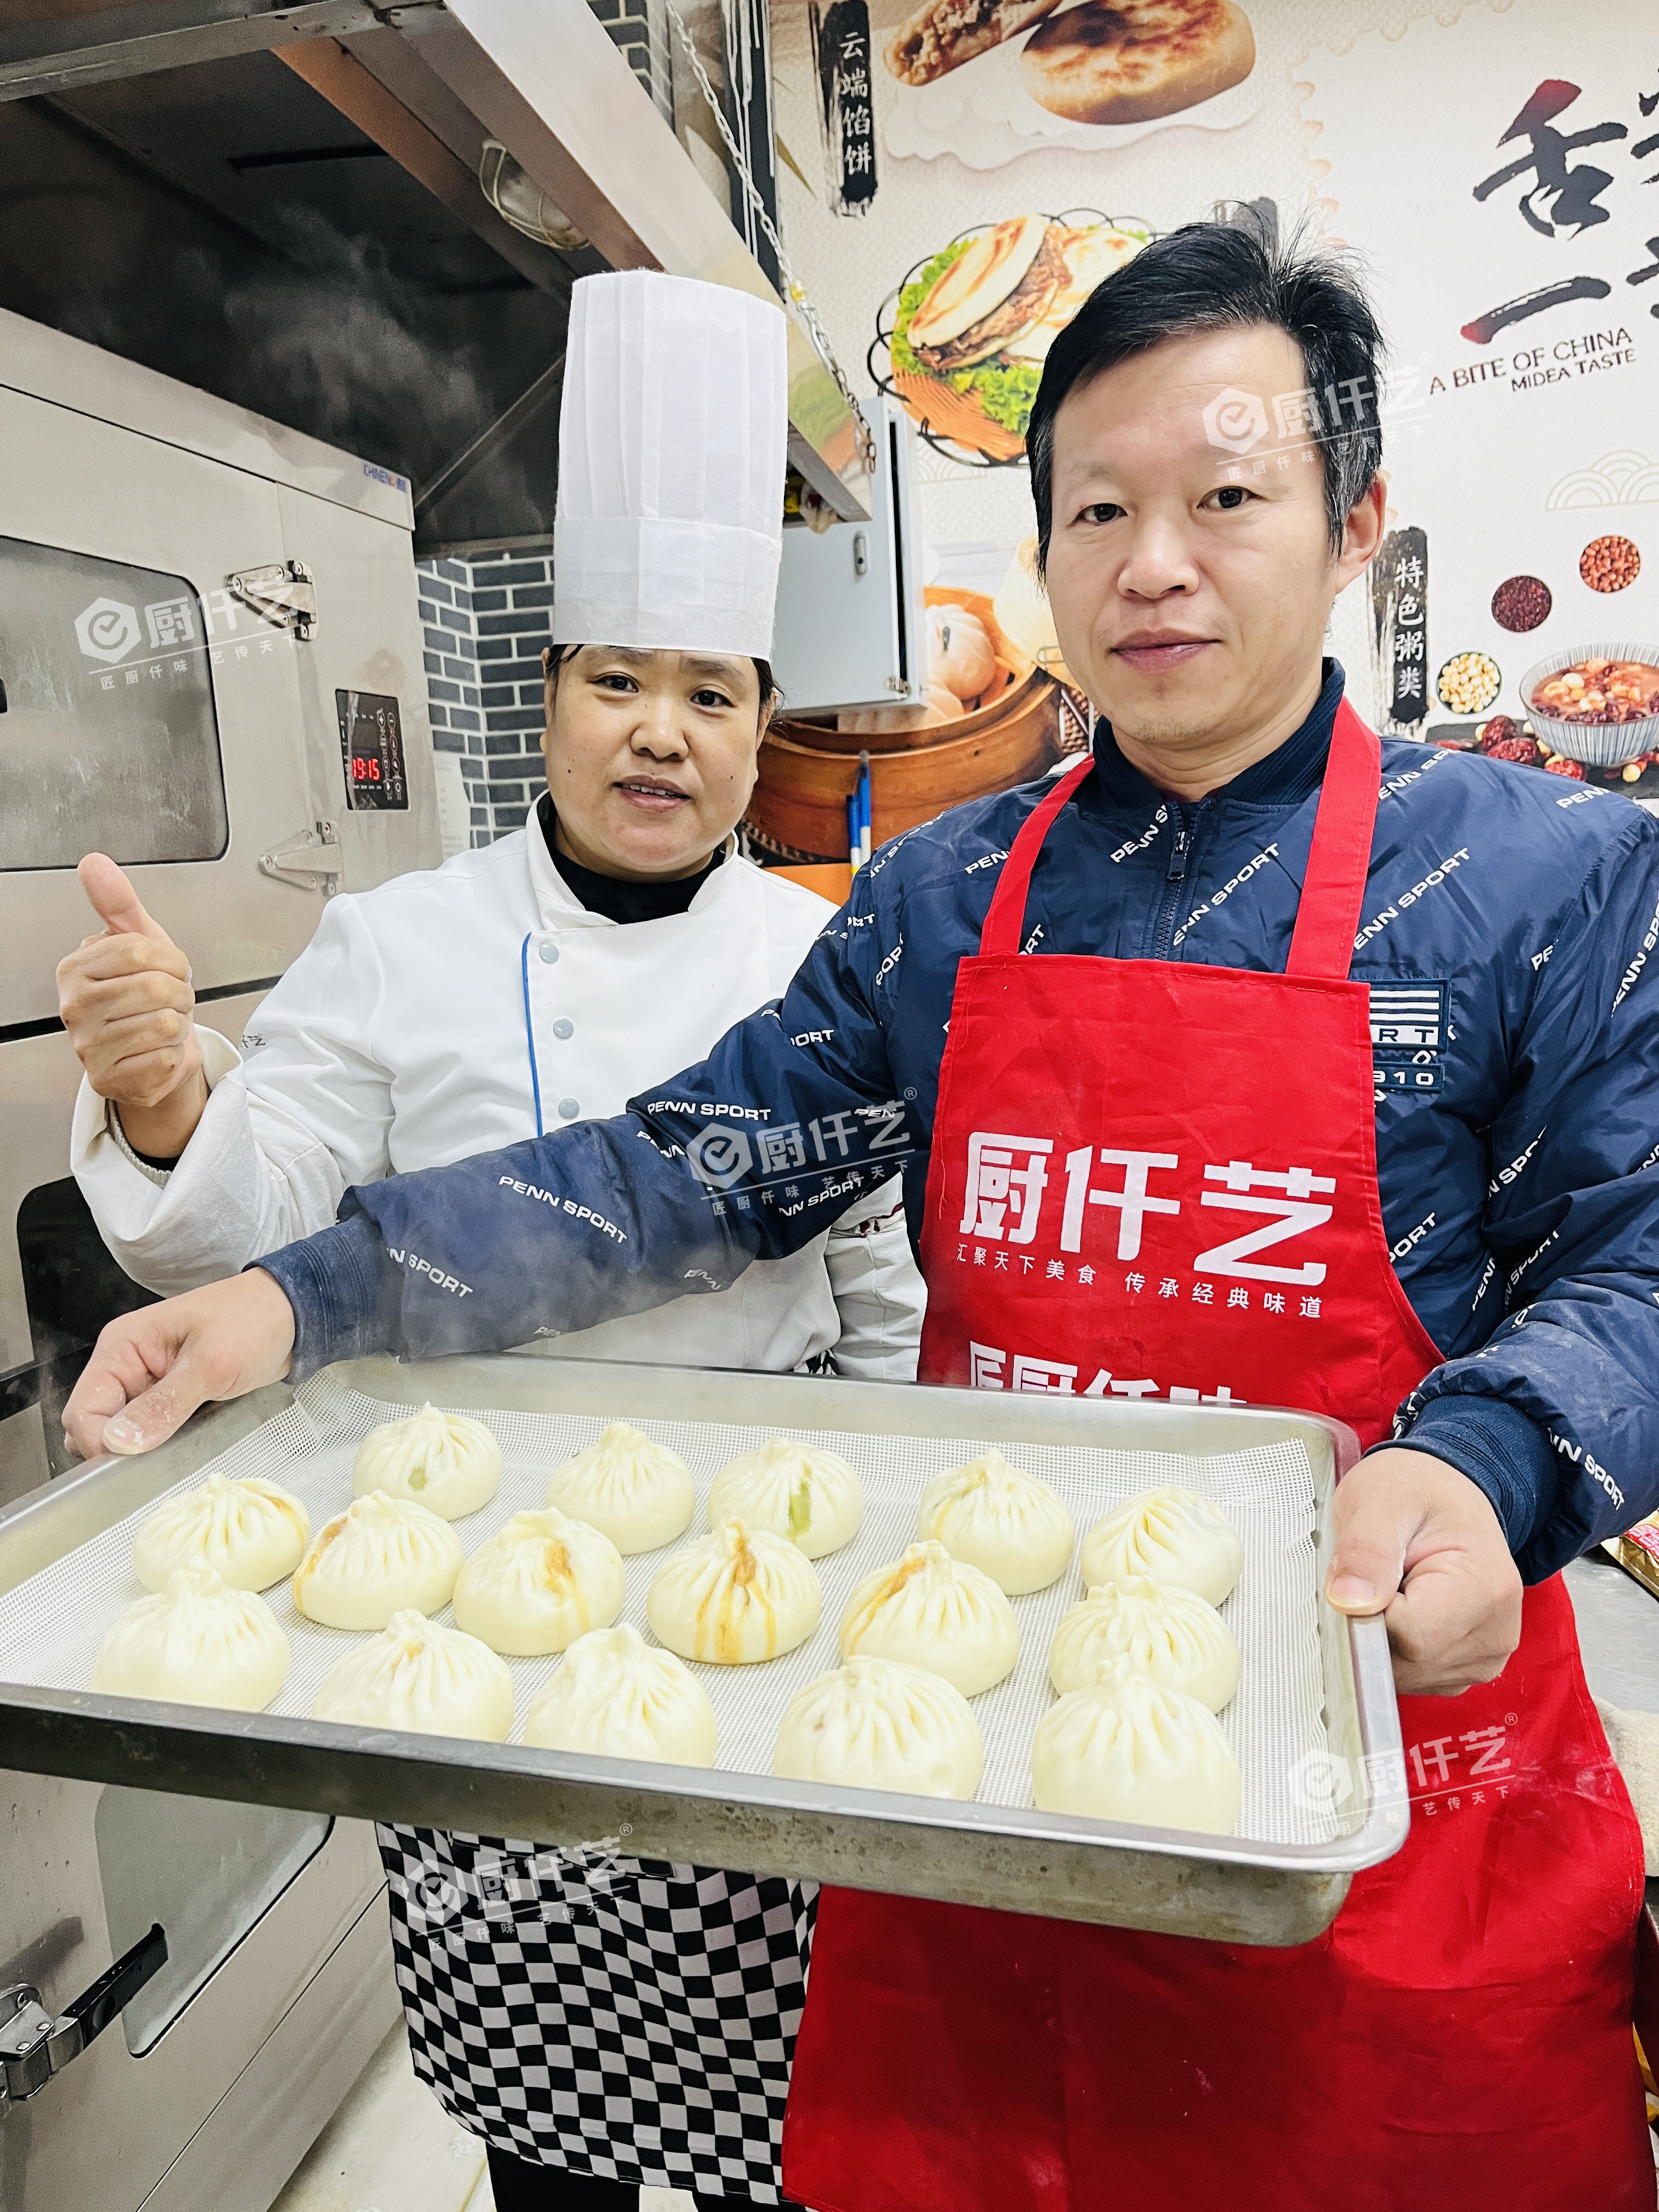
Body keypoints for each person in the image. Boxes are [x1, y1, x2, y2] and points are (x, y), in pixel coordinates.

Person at [63, 224, 1659, 2206]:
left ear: (1355, 528)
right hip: (986, 1768)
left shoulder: (1549, 875)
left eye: (1227, 499)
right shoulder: (943, 897)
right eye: (1098, 509)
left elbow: (1637, 1252)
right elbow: (686, 1166)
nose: (1153, 563)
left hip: (1387, 1774)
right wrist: (298, 1299)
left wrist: (1493, 1462)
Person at [58, 269, 922, 2212]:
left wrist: (879, 1550)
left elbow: (884, 1291)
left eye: (710, 694)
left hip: (762, 1573)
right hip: (462, 1584)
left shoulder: (827, 959)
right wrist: (168, 1095)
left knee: (783, 2093)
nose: (660, 734)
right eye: (617, 681)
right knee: (547, 2117)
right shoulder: (400, 941)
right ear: (543, 697)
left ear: (762, 731)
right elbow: (267, 1217)